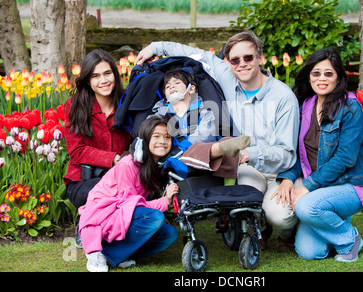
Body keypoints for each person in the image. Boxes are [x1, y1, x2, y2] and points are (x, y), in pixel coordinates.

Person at [135, 31, 300, 251]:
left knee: (279, 216)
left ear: (260, 58)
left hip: (277, 171)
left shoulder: (283, 97)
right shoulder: (228, 78)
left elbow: (287, 154)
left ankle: (286, 233)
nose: (241, 64)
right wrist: (155, 47)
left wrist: (251, 153)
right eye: (235, 60)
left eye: (248, 58)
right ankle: (258, 225)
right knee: (238, 201)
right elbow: (195, 54)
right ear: (229, 63)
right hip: (244, 168)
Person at [277, 48, 363, 262]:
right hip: (320, 189)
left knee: (305, 206)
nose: (322, 78)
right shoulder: (306, 105)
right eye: (316, 73)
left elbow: (346, 158)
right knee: (310, 252)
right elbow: (300, 153)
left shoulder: (350, 107)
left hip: (349, 186)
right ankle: (331, 220)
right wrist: (288, 178)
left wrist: (307, 185)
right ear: (309, 76)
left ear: (339, 77)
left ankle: (350, 239)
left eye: (328, 73)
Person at [78, 117, 179, 272]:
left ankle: (114, 254)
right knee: (155, 218)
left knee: (169, 234)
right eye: (156, 136)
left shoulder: (156, 167)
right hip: (104, 213)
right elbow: (129, 205)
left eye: (167, 137)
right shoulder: (128, 164)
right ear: (145, 139)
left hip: (124, 213)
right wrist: (164, 202)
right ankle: (96, 252)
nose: (163, 141)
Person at [148, 68, 251, 180]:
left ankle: (224, 148)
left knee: (214, 143)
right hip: (168, 159)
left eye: (177, 83)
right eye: (167, 87)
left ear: (191, 89)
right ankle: (221, 148)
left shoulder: (204, 112)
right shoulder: (159, 115)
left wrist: (181, 150)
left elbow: (204, 136)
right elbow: (150, 132)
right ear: (166, 97)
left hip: (200, 159)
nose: (171, 87)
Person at [64, 49, 131, 209]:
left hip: (120, 177)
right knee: (111, 191)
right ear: (87, 80)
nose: (103, 80)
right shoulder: (75, 106)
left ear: (115, 74)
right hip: (83, 181)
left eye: (107, 73)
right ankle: (88, 222)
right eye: (95, 76)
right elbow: (76, 150)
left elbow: (139, 139)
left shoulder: (127, 102)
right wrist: (114, 158)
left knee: (136, 188)